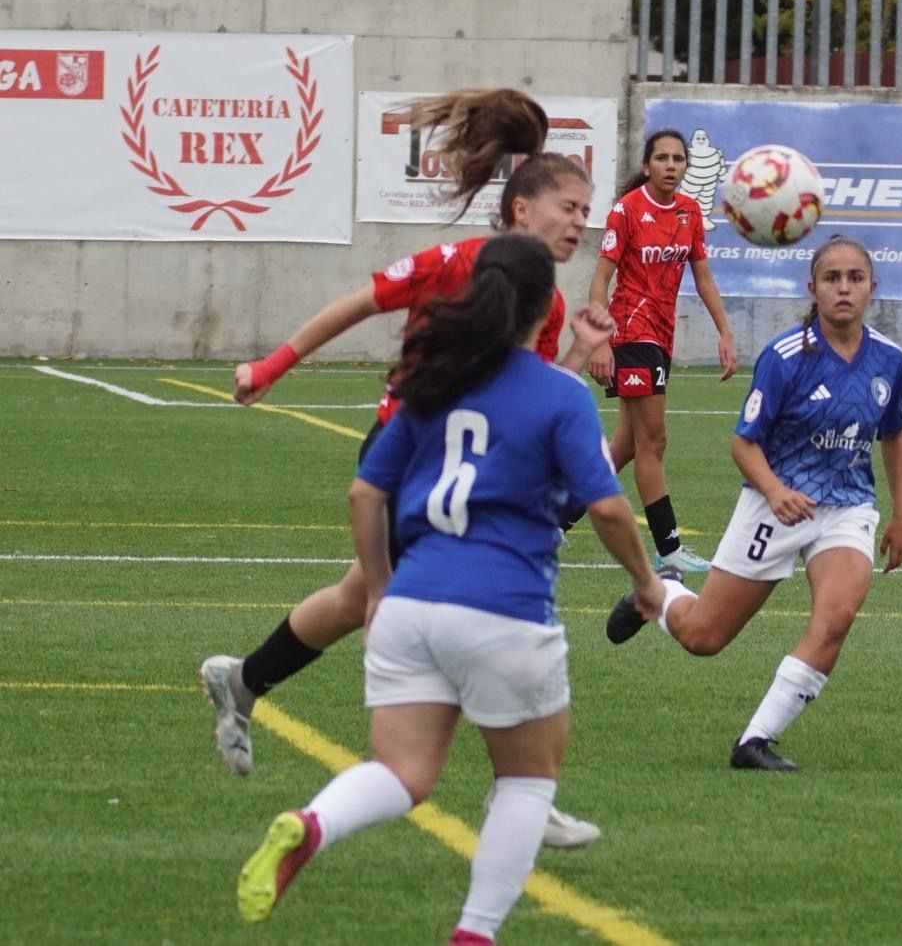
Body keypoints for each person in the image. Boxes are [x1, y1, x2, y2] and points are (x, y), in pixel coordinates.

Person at [201, 88, 610, 847]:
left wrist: (578, 356)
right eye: (571, 206)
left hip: (464, 468)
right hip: (405, 455)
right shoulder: (453, 261)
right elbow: (357, 305)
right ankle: (519, 788)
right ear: (522, 209)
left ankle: (243, 679)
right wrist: (273, 365)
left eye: (588, 211)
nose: (582, 223)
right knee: (481, 603)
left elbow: (523, 388)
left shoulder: (542, 297)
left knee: (364, 597)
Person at [235, 235, 666, 943]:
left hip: (410, 606)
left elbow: (364, 491)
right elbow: (610, 506)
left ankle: (313, 821)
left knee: (402, 771)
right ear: (544, 307)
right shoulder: (560, 393)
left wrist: (376, 592)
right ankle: (474, 933)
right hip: (506, 611)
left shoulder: (432, 382)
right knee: (527, 779)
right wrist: (646, 582)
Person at [602, 235, 902, 771]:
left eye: (854, 278)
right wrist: (775, 491)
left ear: (872, 288)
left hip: (847, 508)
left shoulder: (889, 359)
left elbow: (895, 434)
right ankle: (659, 593)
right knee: (703, 637)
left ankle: (755, 741)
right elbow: (743, 442)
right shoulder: (786, 357)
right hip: (775, 505)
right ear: (811, 288)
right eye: (832, 279)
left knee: (835, 618)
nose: (843, 289)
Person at [575, 128, 739, 572]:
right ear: (647, 165)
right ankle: (668, 547)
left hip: (661, 337)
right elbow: (599, 280)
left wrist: (724, 332)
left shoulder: (688, 212)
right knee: (654, 439)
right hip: (630, 331)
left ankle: (553, 520)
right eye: (662, 158)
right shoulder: (627, 212)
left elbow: (703, 276)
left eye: (678, 159)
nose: (671, 165)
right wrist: (602, 341)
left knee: (627, 444)